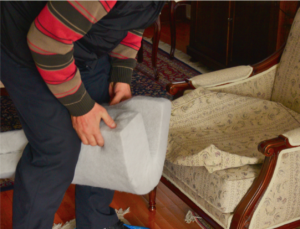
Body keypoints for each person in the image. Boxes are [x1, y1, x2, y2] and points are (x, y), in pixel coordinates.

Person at [0, 1, 164, 228]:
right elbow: (46, 41)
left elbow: (134, 16)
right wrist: (81, 107)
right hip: (27, 41)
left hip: (79, 37)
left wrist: (122, 70)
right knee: (57, 148)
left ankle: (97, 223)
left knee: (105, 130)